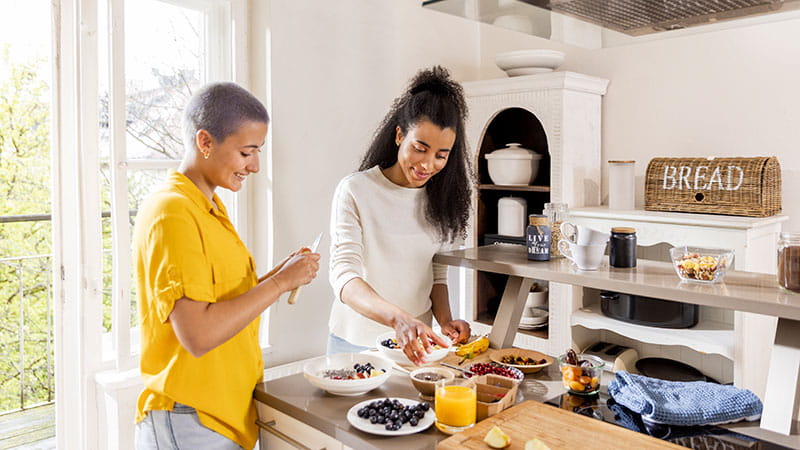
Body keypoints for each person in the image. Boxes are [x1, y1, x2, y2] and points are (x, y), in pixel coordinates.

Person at [133, 82, 320, 450]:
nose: (255, 165)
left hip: (219, 418)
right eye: (246, 152)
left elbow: (224, 303)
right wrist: (280, 283)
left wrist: (279, 273)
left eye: (258, 152)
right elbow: (198, 334)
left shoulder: (210, 208)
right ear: (205, 142)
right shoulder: (172, 212)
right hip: (190, 421)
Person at [328, 66, 473, 365]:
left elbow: (437, 275)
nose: (428, 164)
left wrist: (445, 322)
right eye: (420, 148)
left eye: (441, 155)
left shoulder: (441, 200)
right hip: (355, 344)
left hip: (415, 349)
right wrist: (399, 320)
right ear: (399, 136)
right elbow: (345, 277)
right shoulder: (356, 190)